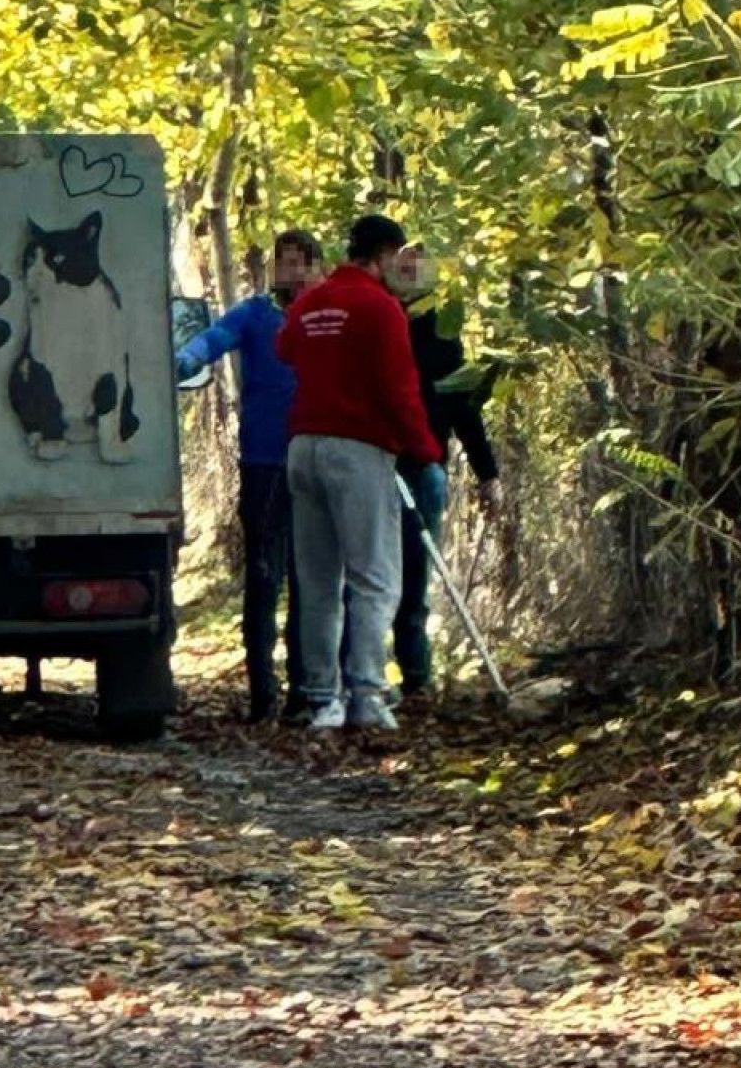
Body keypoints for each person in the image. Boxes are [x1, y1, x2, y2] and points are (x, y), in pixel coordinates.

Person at [276, 214, 443, 732]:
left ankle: (322, 699)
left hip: (303, 447)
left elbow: (286, 349)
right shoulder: (380, 307)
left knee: (318, 579)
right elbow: (400, 388)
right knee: (374, 577)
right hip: (359, 450)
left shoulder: (310, 302)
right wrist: (423, 448)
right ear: (385, 254)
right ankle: (368, 694)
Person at [176, 230, 323, 723]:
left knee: (310, 580)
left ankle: (305, 691)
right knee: (263, 577)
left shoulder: (325, 318)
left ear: (316, 268)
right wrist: (185, 360)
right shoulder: (256, 314)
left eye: (300, 262)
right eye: (283, 262)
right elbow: (215, 338)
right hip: (263, 462)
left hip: (314, 460)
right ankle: (263, 695)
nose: (290, 272)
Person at [381, 244, 501, 697]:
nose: (410, 275)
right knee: (371, 577)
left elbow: (463, 405)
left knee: (416, 576)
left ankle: (416, 678)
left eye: (418, 268)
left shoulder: (442, 331)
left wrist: (487, 474)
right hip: (374, 465)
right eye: (403, 266)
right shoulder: (376, 319)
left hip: (425, 466)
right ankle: (364, 678)